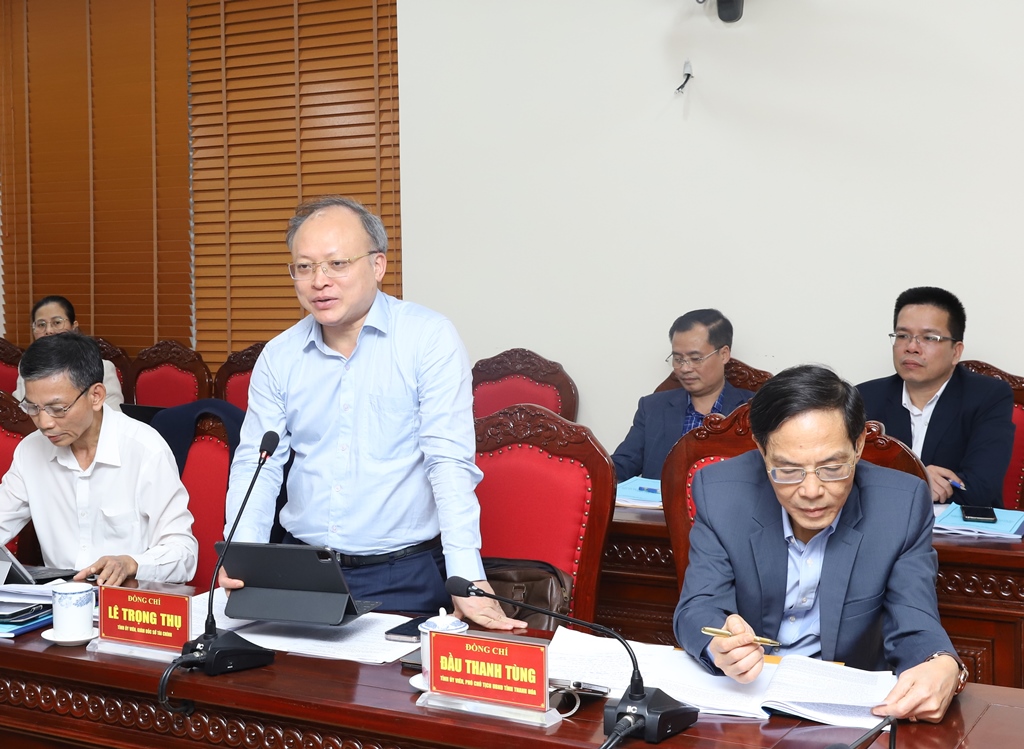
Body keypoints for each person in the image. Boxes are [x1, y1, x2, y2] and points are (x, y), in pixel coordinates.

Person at [220, 195, 524, 629]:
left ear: (377, 265)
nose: (319, 281)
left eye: (337, 264)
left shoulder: (427, 339)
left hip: (402, 575)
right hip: (301, 572)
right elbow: (258, 464)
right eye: (304, 267)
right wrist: (243, 556)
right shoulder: (280, 355)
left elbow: (448, 462)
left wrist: (465, 573)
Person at [674, 364, 967, 723]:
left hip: (844, 711)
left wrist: (941, 662)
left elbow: (915, 622)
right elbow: (698, 605)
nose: (811, 491)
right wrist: (718, 646)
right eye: (788, 470)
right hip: (746, 702)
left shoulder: (900, 504)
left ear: (858, 446)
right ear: (762, 451)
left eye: (832, 468)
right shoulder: (720, 492)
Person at [0, 333, 197, 585]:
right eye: (33, 408)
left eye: (57, 409)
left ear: (96, 396)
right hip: (59, 601)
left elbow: (184, 553)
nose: (44, 423)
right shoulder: (30, 451)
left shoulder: (145, 450)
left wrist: (132, 563)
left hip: (129, 601)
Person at [857, 287, 1013, 507]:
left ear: (956, 352)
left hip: (957, 526)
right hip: (885, 521)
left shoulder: (988, 396)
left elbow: (981, 488)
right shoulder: (864, 397)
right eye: (902, 336)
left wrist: (891, 483)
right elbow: (846, 476)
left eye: (929, 337)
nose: (912, 347)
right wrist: (920, 479)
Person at [612, 309, 753, 480]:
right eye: (678, 359)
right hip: (661, 498)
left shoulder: (754, 410)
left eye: (696, 358)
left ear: (724, 354)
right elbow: (622, 466)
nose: (685, 368)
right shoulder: (652, 407)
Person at [12, 295, 124, 411]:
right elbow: (20, 412)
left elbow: (113, 416)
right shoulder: (27, 366)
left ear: (74, 327)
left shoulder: (103, 368)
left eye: (57, 322)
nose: (49, 331)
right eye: (41, 325)